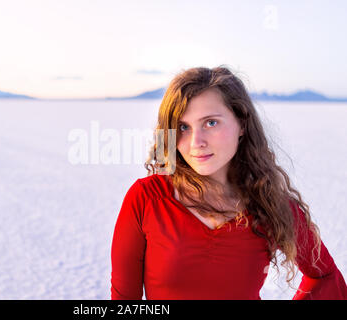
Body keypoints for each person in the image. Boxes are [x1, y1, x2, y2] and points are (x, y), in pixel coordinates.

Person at [110, 66, 347, 300]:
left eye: (210, 123)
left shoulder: (270, 204)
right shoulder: (147, 199)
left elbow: (325, 277)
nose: (196, 142)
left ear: (242, 124)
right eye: (183, 127)